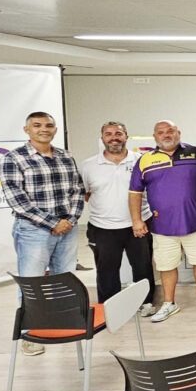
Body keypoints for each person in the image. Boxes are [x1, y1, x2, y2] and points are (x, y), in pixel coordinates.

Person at [0, 111, 84, 356]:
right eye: (37, 125)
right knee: (32, 282)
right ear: (27, 130)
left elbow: (77, 190)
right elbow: (18, 200)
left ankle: (58, 324)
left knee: (64, 278)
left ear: (55, 129)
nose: (43, 129)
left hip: (67, 229)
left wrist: (70, 219)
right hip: (33, 231)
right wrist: (52, 223)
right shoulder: (14, 159)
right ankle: (31, 334)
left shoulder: (66, 156)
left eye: (49, 125)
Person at [129, 120, 196, 323]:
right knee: (166, 266)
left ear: (178, 133)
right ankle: (169, 303)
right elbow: (135, 193)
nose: (166, 135)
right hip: (162, 226)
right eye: (161, 132)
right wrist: (137, 220)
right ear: (154, 137)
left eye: (170, 131)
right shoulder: (144, 160)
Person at [80, 121, 155, 314]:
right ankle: (110, 308)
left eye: (119, 133)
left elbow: (151, 190)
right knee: (106, 270)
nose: (114, 137)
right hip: (102, 227)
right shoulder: (88, 165)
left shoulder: (141, 160)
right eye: (109, 134)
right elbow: (86, 194)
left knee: (143, 268)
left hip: (139, 224)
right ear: (102, 138)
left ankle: (145, 303)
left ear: (126, 137)